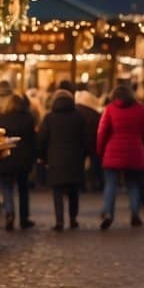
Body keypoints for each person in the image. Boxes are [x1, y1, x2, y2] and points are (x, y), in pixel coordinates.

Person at [97, 83, 144, 229]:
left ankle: (108, 213)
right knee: (133, 184)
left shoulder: (109, 109)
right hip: (135, 151)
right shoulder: (141, 109)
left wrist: (100, 150)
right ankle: (135, 213)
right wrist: (143, 146)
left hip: (112, 151)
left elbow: (102, 132)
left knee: (110, 184)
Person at [39, 88, 90, 230]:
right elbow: (85, 139)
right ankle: (73, 219)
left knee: (57, 192)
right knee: (74, 191)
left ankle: (59, 220)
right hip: (75, 160)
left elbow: (42, 139)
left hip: (55, 159)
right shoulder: (79, 117)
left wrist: (43, 157)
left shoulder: (49, 117)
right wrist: (85, 155)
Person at [0, 94, 36, 231]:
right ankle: (24, 218)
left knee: (6, 187)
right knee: (23, 189)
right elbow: (32, 139)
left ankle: (9, 213)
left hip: (6, 155)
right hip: (23, 158)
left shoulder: (0, 118)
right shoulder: (28, 118)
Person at [74, 89, 104, 192]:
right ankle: (95, 182)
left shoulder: (75, 111)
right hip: (93, 141)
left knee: (79, 163)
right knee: (95, 163)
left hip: (79, 141)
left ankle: (81, 184)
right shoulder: (95, 113)